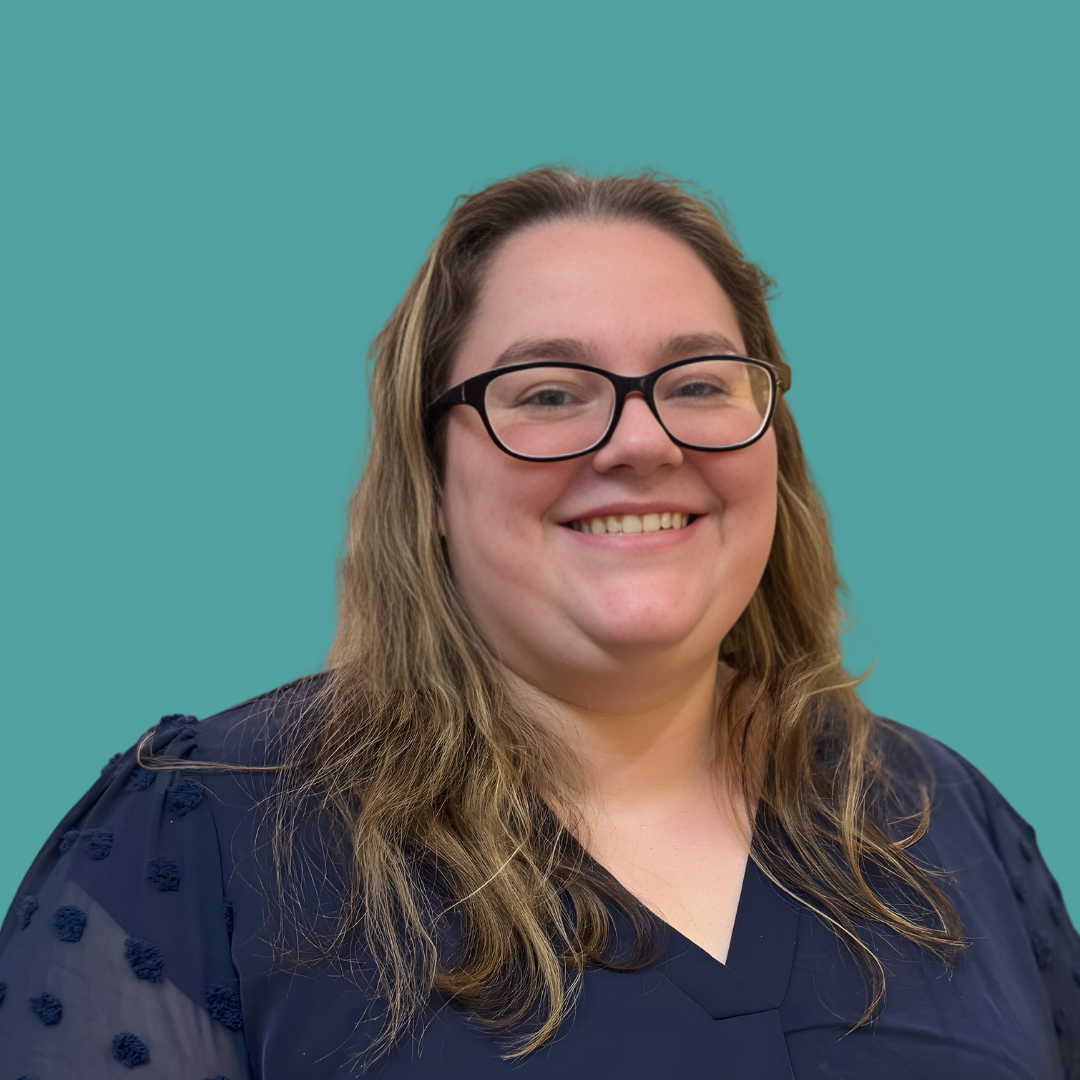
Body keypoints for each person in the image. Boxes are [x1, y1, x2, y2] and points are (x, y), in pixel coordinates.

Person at [1, 168, 1076, 1079]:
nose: (643, 442)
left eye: (700, 384)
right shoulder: (206, 833)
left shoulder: (949, 822)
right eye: (550, 393)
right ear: (430, 476)